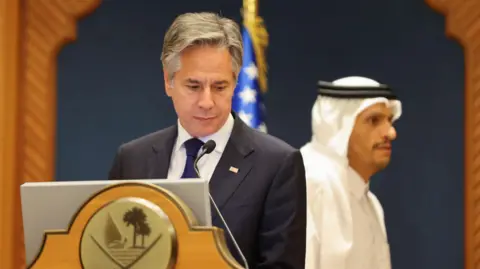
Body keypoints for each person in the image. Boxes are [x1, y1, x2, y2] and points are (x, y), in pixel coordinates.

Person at [108, 12, 307, 269]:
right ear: (168, 82)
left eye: (220, 87)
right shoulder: (133, 158)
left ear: (235, 83)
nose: (207, 102)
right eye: (193, 86)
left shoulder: (277, 164)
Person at [300, 76, 402, 269]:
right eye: (374, 121)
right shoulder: (311, 181)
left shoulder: (370, 203)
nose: (390, 133)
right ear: (338, 126)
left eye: (389, 120)